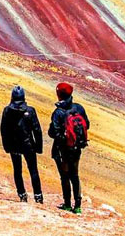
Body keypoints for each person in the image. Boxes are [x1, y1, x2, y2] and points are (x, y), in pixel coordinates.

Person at [48, 81, 90, 214]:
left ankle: (67, 204)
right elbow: (87, 125)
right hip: (77, 148)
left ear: (59, 94)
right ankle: (77, 206)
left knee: (65, 176)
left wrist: (63, 138)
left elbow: (53, 132)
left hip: (63, 150)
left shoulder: (58, 112)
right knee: (75, 175)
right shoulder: (79, 108)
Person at [0, 85, 43, 203]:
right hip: (28, 145)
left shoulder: (7, 110)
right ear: (23, 97)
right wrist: (38, 147)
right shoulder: (30, 110)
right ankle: (38, 196)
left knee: (17, 170)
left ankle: (22, 194)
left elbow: (4, 130)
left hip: (14, 145)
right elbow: (37, 130)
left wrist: (6, 146)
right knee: (33, 170)